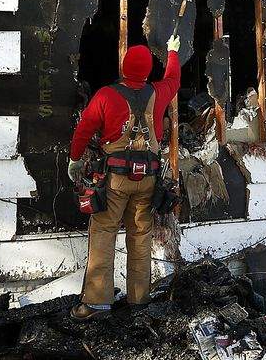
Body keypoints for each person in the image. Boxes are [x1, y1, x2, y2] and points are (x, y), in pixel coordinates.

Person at [67, 35, 181, 321]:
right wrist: (173, 52)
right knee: (140, 237)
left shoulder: (106, 95)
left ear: (124, 66)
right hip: (149, 181)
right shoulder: (159, 92)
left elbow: (83, 130)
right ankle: (139, 302)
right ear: (146, 71)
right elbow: (174, 79)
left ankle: (95, 304)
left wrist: (74, 159)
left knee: (104, 233)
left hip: (115, 180)